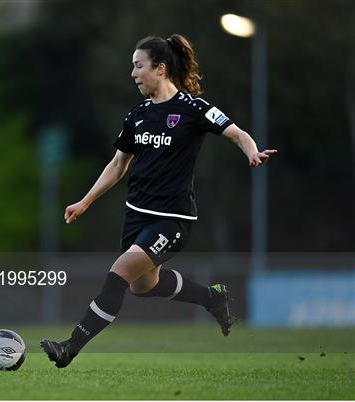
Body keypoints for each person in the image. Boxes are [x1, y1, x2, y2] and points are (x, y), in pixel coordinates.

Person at [41, 34, 277, 368]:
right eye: (132, 67)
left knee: (118, 274)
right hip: (136, 216)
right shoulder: (136, 116)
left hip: (173, 219)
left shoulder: (194, 108)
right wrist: (86, 201)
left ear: (160, 68)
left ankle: (70, 347)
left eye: (139, 66)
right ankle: (213, 298)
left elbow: (237, 133)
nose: (133, 74)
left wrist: (252, 151)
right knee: (142, 286)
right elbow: (118, 165)